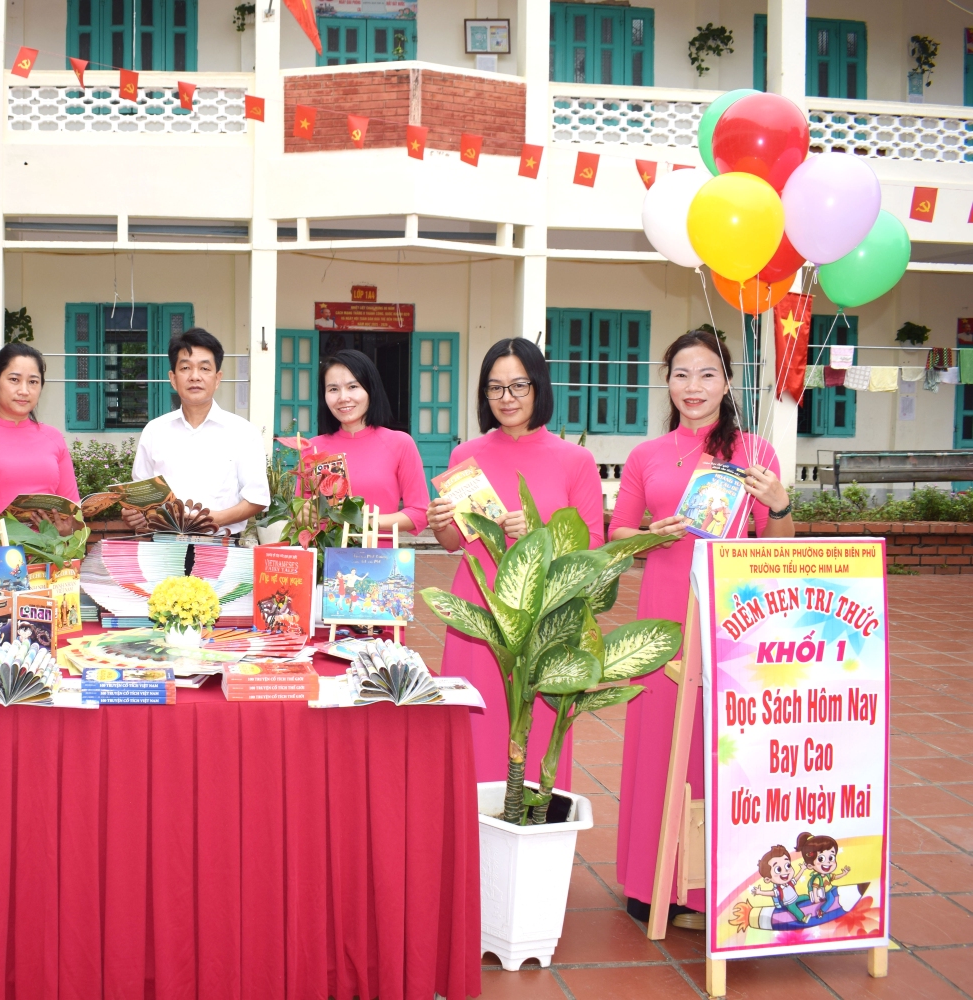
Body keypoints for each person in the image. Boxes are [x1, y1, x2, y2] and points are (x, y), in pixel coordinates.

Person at [608, 329, 793, 924]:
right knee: (659, 741)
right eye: (681, 374)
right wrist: (650, 534)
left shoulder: (755, 452)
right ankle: (651, 881)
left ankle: (718, 886)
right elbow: (617, 532)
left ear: (727, 382)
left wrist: (780, 503)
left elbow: (776, 546)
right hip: (663, 610)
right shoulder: (647, 455)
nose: (694, 386)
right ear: (667, 382)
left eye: (707, 373)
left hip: (732, 613)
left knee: (724, 747)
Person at [426, 337, 603, 788]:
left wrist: (541, 534)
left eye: (519, 385)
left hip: (542, 614)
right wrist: (440, 523)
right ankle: (471, 829)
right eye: (495, 387)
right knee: (475, 726)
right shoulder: (465, 457)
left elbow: (595, 548)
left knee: (536, 731)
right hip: (478, 608)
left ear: (538, 386)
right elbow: (454, 543)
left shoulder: (575, 460)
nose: (507, 398)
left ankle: (533, 821)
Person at [124, 328, 268, 535]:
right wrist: (134, 514)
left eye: (204, 368)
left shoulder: (243, 432)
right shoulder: (154, 431)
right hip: (165, 545)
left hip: (221, 545)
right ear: (173, 378)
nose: (195, 377)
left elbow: (257, 499)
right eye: (185, 368)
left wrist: (213, 519)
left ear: (217, 378)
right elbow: (141, 497)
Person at [309, 349, 430, 537]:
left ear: (370, 389)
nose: (343, 398)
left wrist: (364, 522)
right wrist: (303, 514)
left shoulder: (400, 443)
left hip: (378, 554)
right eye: (333, 389)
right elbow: (301, 515)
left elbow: (419, 513)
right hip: (325, 554)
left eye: (352, 386)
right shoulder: (312, 448)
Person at [0, 343, 80, 519]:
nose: (24, 391)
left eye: (33, 382)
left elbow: (73, 510)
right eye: (14, 379)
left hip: (48, 538)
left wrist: (67, 528)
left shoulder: (53, 437)